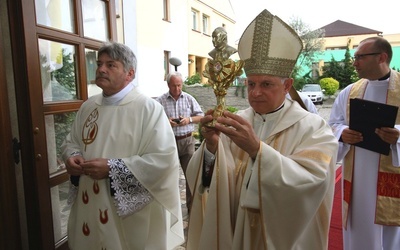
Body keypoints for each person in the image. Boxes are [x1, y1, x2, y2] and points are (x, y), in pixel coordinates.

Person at [186, 9, 339, 249]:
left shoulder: (313, 128)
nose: (256, 92)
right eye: (251, 84)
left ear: (287, 85)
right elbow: (209, 183)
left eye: (266, 84)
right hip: (237, 230)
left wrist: (258, 150)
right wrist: (212, 147)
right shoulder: (236, 122)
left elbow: (314, 181)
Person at [61, 42, 184, 250]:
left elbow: (164, 160)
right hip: (89, 204)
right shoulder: (88, 106)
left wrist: (113, 168)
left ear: (130, 73)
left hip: (127, 214)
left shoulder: (148, 109)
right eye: (100, 64)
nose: (101, 69)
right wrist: (72, 156)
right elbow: (71, 141)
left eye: (111, 65)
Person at [328, 36, 400, 250]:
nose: (355, 62)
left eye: (360, 57)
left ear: (382, 57)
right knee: (359, 230)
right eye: (354, 57)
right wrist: (342, 133)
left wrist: (397, 135)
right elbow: (332, 124)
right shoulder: (350, 92)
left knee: (390, 235)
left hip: (392, 177)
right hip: (357, 177)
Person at [156, 71, 204, 211]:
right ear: (168, 85)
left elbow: (201, 116)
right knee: (168, 176)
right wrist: (166, 121)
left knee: (190, 175)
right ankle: (170, 209)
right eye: (173, 86)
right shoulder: (160, 101)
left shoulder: (189, 98)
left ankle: (192, 208)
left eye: (179, 85)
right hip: (168, 142)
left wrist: (188, 120)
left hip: (187, 141)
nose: (177, 89)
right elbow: (152, 120)